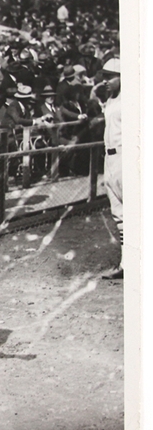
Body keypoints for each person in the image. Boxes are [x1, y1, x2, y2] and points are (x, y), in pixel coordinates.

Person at [97, 59, 123, 279]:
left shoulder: (130, 100)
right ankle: (125, 263)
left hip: (125, 157)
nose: (105, 81)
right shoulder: (111, 100)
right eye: (104, 76)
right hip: (110, 157)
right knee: (119, 215)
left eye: (110, 76)